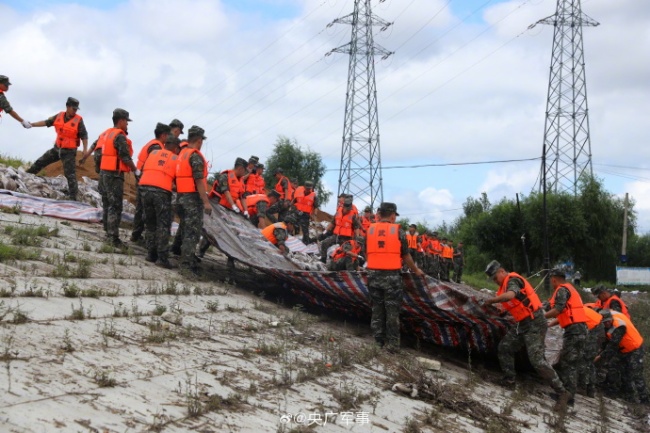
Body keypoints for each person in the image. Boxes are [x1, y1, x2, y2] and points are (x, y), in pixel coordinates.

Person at [482, 260, 570, 410]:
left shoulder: (513, 280)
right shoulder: (505, 284)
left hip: (535, 322)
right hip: (523, 324)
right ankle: (509, 380)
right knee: (505, 347)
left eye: (495, 278)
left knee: (537, 361)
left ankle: (562, 392)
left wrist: (491, 300)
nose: (495, 282)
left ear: (502, 271)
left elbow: (511, 295)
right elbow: (515, 304)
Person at [365, 202, 424, 352]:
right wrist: (416, 270)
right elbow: (406, 255)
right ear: (392, 215)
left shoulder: (370, 229)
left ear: (380, 214)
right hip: (391, 277)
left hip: (373, 275)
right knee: (392, 311)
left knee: (377, 309)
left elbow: (367, 251)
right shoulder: (398, 231)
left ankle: (378, 341)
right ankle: (392, 345)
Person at [26, 97, 88, 200]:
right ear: (67, 107)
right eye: (73, 108)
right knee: (40, 161)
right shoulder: (59, 116)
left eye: (76, 109)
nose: (75, 111)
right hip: (57, 148)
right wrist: (32, 125)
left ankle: (73, 197)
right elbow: (46, 122)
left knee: (70, 174)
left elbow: (84, 136)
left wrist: (85, 150)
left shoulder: (78, 120)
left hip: (69, 151)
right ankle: (26, 176)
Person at [544, 268, 588, 405]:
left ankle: (567, 397)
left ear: (553, 279)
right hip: (579, 329)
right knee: (571, 363)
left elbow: (558, 309)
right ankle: (569, 395)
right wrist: (548, 324)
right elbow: (565, 313)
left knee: (567, 363)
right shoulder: (570, 289)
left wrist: (540, 317)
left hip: (574, 331)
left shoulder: (562, 290)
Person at [173, 125, 212, 277]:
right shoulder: (195, 156)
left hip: (181, 196)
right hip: (192, 199)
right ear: (199, 140)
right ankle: (186, 266)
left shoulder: (182, 154)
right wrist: (206, 201)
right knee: (192, 233)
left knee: (184, 228)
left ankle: (176, 251)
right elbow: (198, 180)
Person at [97, 108, 138, 246]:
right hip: (114, 175)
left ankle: (107, 231)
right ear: (121, 121)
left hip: (104, 173)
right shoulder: (119, 136)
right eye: (126, 121)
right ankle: (113, 238)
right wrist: (135, 171)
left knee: (107, 203)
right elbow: (125, 157)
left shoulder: (107, 133)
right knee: (115, 206)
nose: (127, 125)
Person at [139, 136, 181, 268]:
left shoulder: (153, 153)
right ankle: (162, 258)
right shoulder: (175, 159)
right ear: (176, 147)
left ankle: (151, 253)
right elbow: (177, 181)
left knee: (150, 223)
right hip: (161, 192)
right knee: (163, 224)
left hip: (144, 189)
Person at [595, 309, 649, 404]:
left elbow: (612, 346)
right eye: (604, 322)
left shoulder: (619, 326)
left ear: (610, 319)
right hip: (622, 350)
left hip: (634, 348)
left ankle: (645, 400)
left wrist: (600, 356)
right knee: (615, 368)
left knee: (635, 374)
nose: (606, 324)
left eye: (607, 322)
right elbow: (607, 342)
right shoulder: (606, 321)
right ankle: (620, 393)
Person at [131, 122, 171, 242]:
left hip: (142, 179)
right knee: (144, 211)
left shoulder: (152, 144)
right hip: (146, 181)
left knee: (141, 209)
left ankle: (136, 235)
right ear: (163, 135)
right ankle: (138, 236)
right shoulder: (156, 147)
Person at [319, 196, 360, 263]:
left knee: (346, 252)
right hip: (336, 235)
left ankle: (343, 264)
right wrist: (324, 232)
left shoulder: (352, 215)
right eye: (347, 209)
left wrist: (357, 238)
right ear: (343, 207)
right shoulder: (338, 212)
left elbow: (356, 227)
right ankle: (323, 259)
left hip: (346, 238)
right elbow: (332, 223)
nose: (348, 211)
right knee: (324, 243)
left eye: (349, 209)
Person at [578, 304, 606, 398]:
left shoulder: (572, 309)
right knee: (589, 363)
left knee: (584, 360)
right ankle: (591, 390)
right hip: (597, 330)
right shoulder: (580, 308)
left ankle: (582, 388)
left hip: (595, 332)